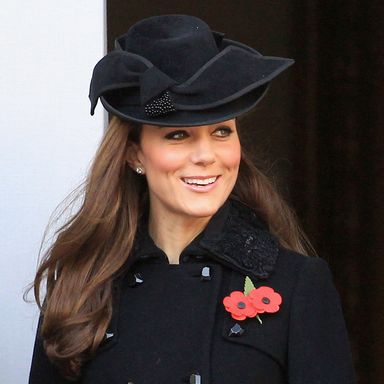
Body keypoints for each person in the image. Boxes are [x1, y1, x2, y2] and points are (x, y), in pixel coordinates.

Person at [27, 14, 356, 384]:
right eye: (178, 135)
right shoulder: (80, 284)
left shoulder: (298, 284)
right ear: (135, 155)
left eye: (220, 131)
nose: (206, 155)